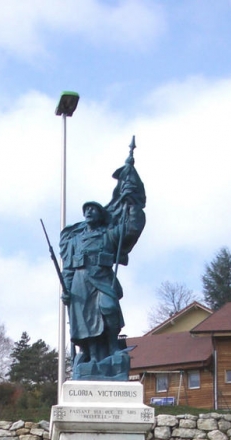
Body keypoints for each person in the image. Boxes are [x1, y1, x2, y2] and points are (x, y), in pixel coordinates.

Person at [60, 141, 146, 380]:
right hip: (79, 281)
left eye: (94, 210)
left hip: (102, 278)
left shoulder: (109, 234)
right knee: (84, 324)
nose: (89, 212)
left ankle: (111, 350)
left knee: (109, 310)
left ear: (100, 214)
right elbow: (68, 266)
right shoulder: (74, 239)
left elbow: (130, 229)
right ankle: (91, 358)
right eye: (86, 209)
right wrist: (66, 289)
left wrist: (132, 204)